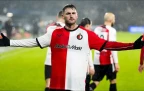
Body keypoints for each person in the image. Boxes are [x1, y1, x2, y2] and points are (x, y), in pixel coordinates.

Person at [0, 4, 144, 91]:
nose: (71, 15)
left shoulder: (87, 34)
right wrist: (9, 42)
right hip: (57, 87)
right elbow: (33, 42)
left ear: (77, 15)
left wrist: (134, 45)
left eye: (73, 13)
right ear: (63, 16)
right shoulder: (54, 33)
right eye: (68, 13)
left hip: (78, 87)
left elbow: (109, 45)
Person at [90, 12, 119, 91]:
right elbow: (112, 46)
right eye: (114, 19)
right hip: (108, 59)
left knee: (96, 81)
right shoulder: (112, 30)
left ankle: (88, 89)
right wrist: (116, 62)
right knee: (113, 80)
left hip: (97, 59)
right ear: (110, 20)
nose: (114, 20)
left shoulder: (97, 29)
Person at [44, 11, 65, 91]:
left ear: (57, 17)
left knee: (48, 84)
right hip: (62, 61)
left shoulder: (49, 27)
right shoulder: (68, 28)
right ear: (64, 17)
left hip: (49, 60)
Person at [79, 17, 94, 91]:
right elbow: (88, 52)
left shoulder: (75, 33)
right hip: (84, 68)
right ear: (87, 25)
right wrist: (91, 66)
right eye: (90, 26)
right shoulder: (87, 35)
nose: (91, 28)